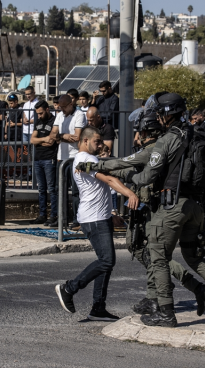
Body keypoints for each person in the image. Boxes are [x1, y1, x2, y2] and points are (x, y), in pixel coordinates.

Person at [123, 93, 205, 327]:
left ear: (167, 115)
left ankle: (166, 313)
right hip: (196, 206)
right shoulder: (201, 135)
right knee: (195, 258)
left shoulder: (168, 138)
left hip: (171, 204)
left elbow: (145, 173)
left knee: (157, 255)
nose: (157, 116)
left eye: (160, 113)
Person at [78, 111, 205, 317]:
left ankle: (170, 296)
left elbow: (125, 168)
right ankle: (172, 294)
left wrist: (102, 169)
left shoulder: (153, 149)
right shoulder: (161, 146)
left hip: (150, 208)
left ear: (145, 131)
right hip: (156, 207)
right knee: (153, 254)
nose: (136, 136)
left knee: (150, 254)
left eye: (139, 131)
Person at [54, 126, 139, 322]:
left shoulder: (86, 160)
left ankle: (98, 308)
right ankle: (69, 288)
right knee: (107, 261)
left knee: (105, 264)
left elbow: (98, 189)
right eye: (97, 141)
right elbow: (109, 179)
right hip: (94, 219)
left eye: (101, 141)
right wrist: (130, 193)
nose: (101, 144)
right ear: (85, 141)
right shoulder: (86, 160)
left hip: (101, 216)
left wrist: (112, 213)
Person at [50, 94, 86, 229]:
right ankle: (62, 219)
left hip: (75, 157)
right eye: (60, 107)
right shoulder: (60, 116)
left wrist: (59, 137)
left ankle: (78, 220)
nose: (62, 109)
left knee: (76, 191)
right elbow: (53, 135)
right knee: (60, 190)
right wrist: (63, 136)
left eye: (64, 107)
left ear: (71, 104)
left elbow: (77, 137)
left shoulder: (79, 115)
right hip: (62, 157)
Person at [29, 100, 59, 227]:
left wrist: (40, 141)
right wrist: (43, 139)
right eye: (38, 114)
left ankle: (53, 215)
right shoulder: (38, 121)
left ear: (47, 109)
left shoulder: (54, 121)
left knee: (51, 189)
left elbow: (51, 141)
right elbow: (32, 140)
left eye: (41, 113)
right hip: (38, 159)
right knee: (41, 189)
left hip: (49, 158)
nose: (39, 116)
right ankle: (42, 215)